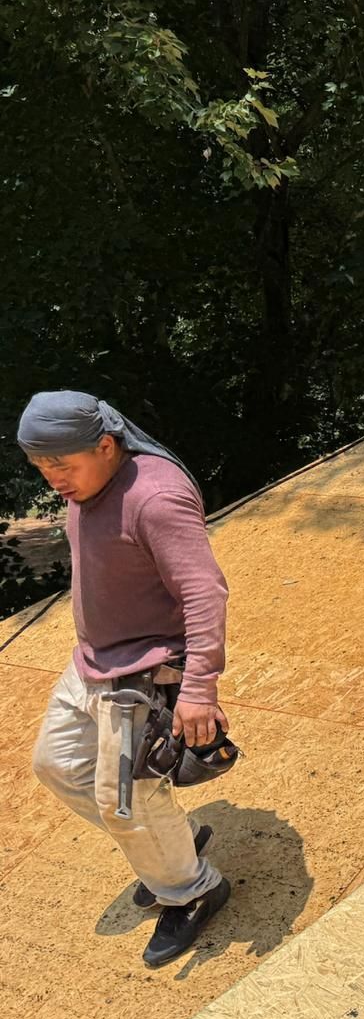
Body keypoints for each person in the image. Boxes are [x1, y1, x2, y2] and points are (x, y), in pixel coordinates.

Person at [16, 391, 231, 968]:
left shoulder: (154, 498)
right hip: (93, 659)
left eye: (63, 464)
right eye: (41, 467)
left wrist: (198, 690)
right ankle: (171, 850)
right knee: (58, 766)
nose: (53, 479)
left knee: (126, 803)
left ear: (107, 446)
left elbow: (204, 593)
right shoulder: (87, 482)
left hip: (141, 672)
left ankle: (193, 889)